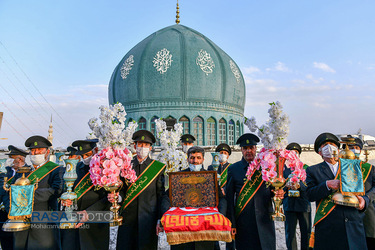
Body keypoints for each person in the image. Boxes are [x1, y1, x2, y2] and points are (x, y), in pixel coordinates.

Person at [306, 132, 375, 250]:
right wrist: (326, 185)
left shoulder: (354, 166)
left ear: (338, 149)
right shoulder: (313, 170)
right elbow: (309, 194)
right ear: (319, 152)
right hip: (328, 225)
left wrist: (365, 200)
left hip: (354, 222)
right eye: (324, 145)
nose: (329, 147)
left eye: (332, 144)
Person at [110, 130, 169, 250]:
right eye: (140, 144)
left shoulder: (157, 167)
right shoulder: (126, 165)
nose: (142, 147)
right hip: (128, 218)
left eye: (146, 145)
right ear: (134, 146)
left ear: (150, 147)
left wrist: (160, 218)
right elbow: (122, 189)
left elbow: (160, 195)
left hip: (148, 219)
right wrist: (118, 197)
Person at [226, 133, 284, 250]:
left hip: (264, 218)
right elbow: (229, 198)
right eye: (245, 148)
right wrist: (231, 223)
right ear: (241, 150)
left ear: (255, 149)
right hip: (243, 221)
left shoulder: (266, 166)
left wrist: (278, 194)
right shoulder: (233, 169)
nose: (248, 151)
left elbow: (273, 190)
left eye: (251, 148)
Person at [171, 146, 227, 250]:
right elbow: (168, 196)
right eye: (192, 158)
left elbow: (221, 198)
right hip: (184, 229)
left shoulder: (210, 177)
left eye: (198, 158)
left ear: (203, 160)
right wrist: (168, 213)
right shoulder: (178, 177)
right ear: (188, 159)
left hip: (206, 229)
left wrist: (220, 215)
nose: (195, 161)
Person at [13, 135, 62, 250]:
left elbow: (56, 190)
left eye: (39, 150)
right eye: (33, 151)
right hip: (22, 219)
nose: (36, 153)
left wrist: (28, 194)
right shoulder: (24, 172)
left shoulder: (55, 169)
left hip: (44, 220)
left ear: (47, 152)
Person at [61, 139, 110, 250]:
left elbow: (108, 197)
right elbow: (67, 190)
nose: (85, 158)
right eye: (82, 155)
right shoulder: (76, 168)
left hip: (95, 222)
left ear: (96, 150)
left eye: (87, 154)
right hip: (75, 220)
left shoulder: (105, 169)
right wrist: (65, 200)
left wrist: (89, 212)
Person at [346, 136, 375, 249]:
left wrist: (367, 197)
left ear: (361, 150)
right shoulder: (339, 168)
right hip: (348, 214)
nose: (353, 149)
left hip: (368, 213)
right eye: (351, 147)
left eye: (356, 147)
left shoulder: (370, 168)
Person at [283, 143, 311, 250]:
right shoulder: (283, 170)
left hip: (303, 204)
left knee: (306, 232)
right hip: (289, 205)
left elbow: (309, 185)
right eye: (291, 153)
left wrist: (300, 185)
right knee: (290, 233)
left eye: (296, 152)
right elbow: (279, 186)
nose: (294, 155)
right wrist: (286, 186)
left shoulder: (306, 168)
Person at [0, 145, 28, 250]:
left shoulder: (29, 171)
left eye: (11, 157)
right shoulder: (4, 171)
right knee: (5, 242)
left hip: (21, 214)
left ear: (20, 159)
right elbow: (1, 191)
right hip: (4, 213)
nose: (9, 160)